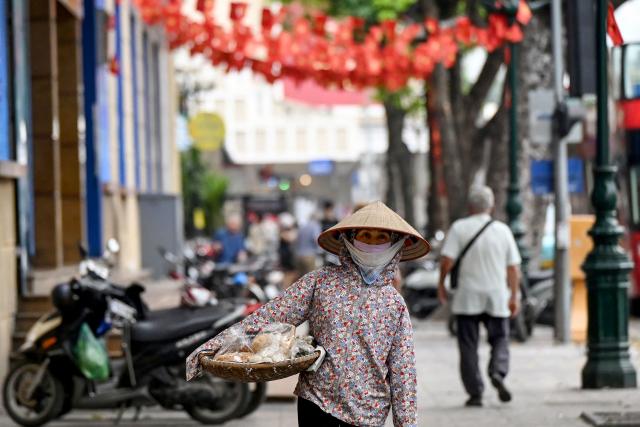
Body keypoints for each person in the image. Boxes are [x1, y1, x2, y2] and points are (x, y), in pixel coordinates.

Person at [186, 201, 430, 427]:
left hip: (370, 412)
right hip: (318, 402)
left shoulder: (394, 303)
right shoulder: (321, 282)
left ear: (393, 244)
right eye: (366, 236)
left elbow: (403, 372)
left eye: (381, 238)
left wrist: (406, 424)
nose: (373, 243)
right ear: (350, 240)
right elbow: (271, 316)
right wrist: (216, 345)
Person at [437, 185, 521, 408]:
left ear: (470, 206)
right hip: (496, 296)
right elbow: (513, 268)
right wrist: (514, 295)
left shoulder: (459, 228)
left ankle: (475, 393)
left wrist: (441, 284)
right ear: (491, 206)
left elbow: (447, 261)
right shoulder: (503, 230)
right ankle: (498, 372)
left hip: (467, 297)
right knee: (501, 339)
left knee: (468, 345)